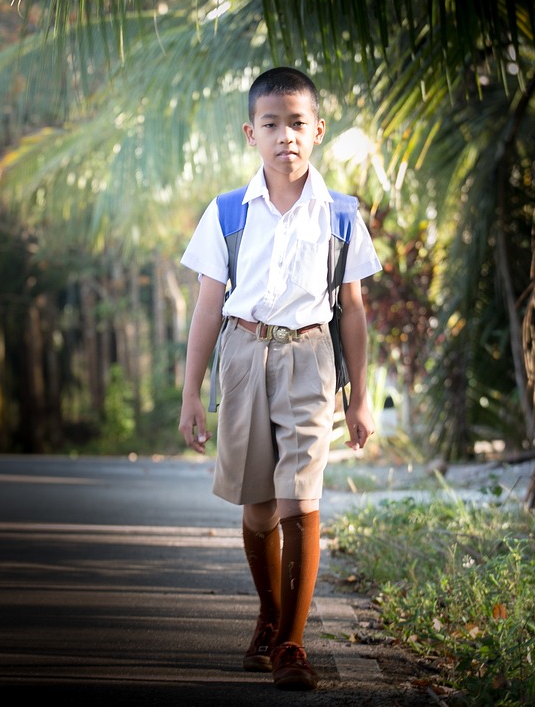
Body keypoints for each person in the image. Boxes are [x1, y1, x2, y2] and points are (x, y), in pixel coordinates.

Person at [177, 66, 382, 691]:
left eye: (297, 123)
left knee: (301, 497)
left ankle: (292, 644)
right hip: (243, 356)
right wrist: (192, 395)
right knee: (259, 505)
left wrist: (360, 398)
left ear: (317, 131)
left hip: (311, 361)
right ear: (251, 133)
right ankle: (269, 615)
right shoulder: (227, 213)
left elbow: (353, 311)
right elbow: (208, 307)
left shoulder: (342, 216)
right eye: (272, 124)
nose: (285, 136)